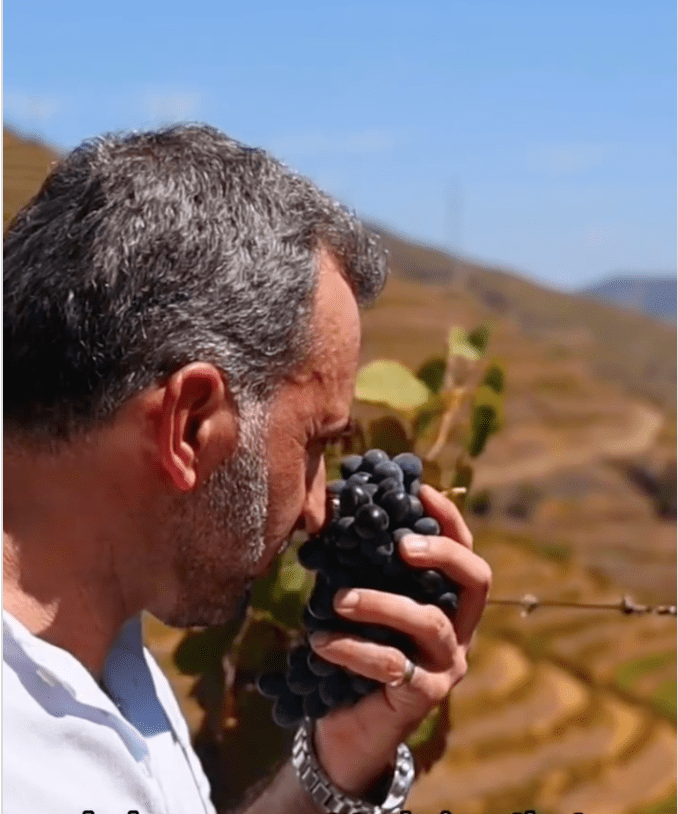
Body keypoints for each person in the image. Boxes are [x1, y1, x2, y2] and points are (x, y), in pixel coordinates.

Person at [3, 123, 492, 814]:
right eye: (316, 443)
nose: (322, 510)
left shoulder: (106, 656)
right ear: (189, 424)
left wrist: (343, 759)